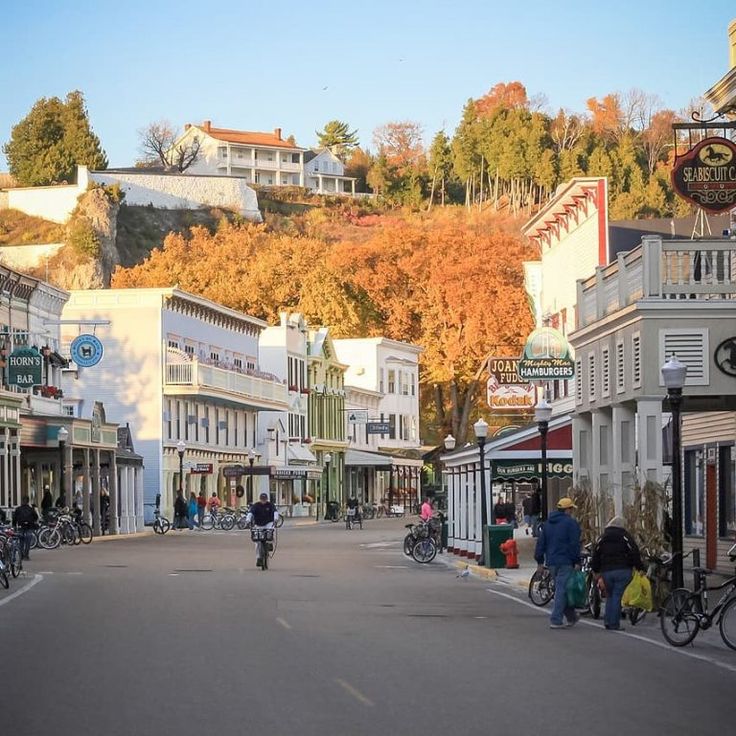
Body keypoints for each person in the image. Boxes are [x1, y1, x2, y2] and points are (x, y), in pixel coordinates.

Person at [534, 497, 582, 629]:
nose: (572, 512)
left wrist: (539, 561)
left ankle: (571, 616)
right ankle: (556, 619)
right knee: (562, 590)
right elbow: (574, 544)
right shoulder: (571, 524)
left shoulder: (547, 524)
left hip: (552, 562)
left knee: (562, 589)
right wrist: (577, 560)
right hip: (566, 561)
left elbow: (540, 544)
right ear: (567, 510)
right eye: (571, 509)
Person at [591, 516, 643, 631]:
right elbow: (634, 552)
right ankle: (614, 623)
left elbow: (596, 554)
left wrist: (596, 570)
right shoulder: (625, 537)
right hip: (623, 569)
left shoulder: (602, 538)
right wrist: (639, 567)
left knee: (609, 595)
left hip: (606, 571)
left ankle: (608, 621)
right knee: (617, 596)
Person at [245, 492, 280, 568]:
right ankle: (258, 558)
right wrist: (248, 519)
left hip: (268, 522)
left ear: (267, 499)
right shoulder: (256, 505)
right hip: (259, 524)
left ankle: (270, 543)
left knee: (270, 532)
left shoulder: (270, 505)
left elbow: (275, 512)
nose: (263, 501)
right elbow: (251, 512)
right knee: (257, 542)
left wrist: (276, 518)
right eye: (262, 499)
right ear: (260, 499)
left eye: (264, 499)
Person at [12, 495, 39, 561]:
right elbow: (36, 517)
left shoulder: (18, 509)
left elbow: (14, 518)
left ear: (22, 501)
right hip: (29, 527)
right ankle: (26, 556)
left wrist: (14, 526)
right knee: (28, 542)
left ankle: (21, 555)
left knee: (21, 541)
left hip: (21, 527)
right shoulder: (31, 509)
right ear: (28, 501)